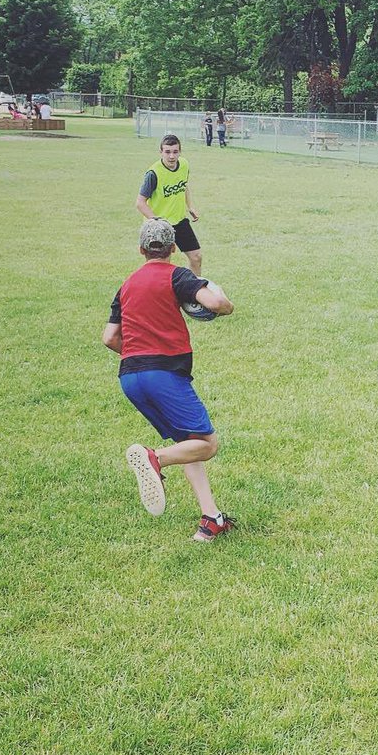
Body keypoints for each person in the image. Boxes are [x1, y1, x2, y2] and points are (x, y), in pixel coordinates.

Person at [103, 218, 235, 541]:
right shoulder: (177, 275)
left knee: (187, 442)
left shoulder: (126, 284)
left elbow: (109, 338)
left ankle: (211, 519)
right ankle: (154, 458)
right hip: (163, 375)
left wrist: (137, 357)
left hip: (130, 378)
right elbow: (215, 303)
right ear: (173, 249)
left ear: (141, 250)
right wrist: (225, 301)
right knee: (207, 444)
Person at [135, 134, 204, 277]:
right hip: (159, 227)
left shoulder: (184, 165)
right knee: (161, 266)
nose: (171, 156)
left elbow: (183, 185)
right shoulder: (153, 174)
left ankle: (193, 295)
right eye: (167, 152)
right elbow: (140, 203)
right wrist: (158, 222)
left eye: (175, 152)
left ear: (180, 152)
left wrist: (190, 206)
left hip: (179, 221)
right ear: (160, 152)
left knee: (196, 257)